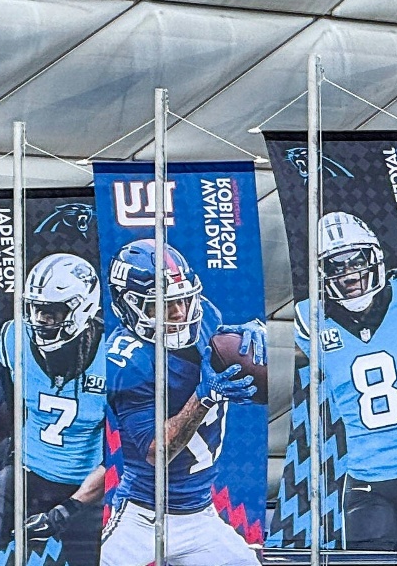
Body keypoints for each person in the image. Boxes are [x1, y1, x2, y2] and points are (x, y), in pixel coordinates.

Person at [98, 240, 264, 566]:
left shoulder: (205, 318)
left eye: (184, 300)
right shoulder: (127, 360)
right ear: (127, 306)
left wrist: (256, 338)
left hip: (201, 515)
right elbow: (157, 451)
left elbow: (239, 362)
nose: (179, 313)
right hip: (143, 517)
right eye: (162, 305)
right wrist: (204, 397)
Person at [294, 212, 397, 550]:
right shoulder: (309, 320)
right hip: (366, 477)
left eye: (356, 260)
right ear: (322, 274)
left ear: (375, 257)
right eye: (336, 266)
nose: (349, 273)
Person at [0, 254, 107, 566]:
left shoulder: (111, 354)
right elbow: (1, 413)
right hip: (28, 474)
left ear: (82, 307)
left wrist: (68, 509)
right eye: (36, 308)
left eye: (53, 311)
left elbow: (121, 456)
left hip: (88, 490)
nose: (41, 319)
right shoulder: (14, 337)